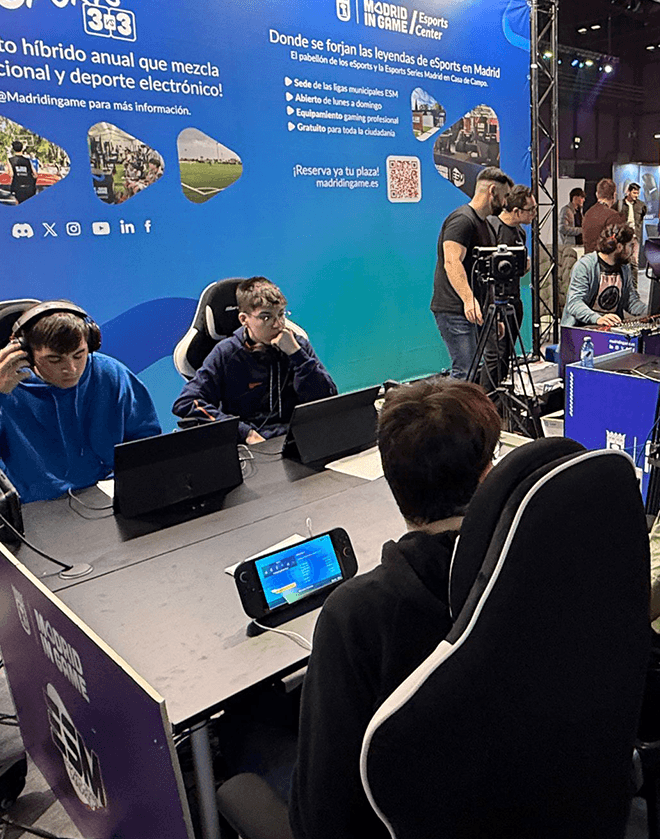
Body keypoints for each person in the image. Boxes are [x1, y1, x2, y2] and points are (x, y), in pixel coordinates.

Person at [289, 378, 501, 839]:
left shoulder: (355, 615)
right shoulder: (531, 563)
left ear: (391, 480)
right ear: (489, 475)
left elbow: (321, 817)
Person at [0, 301, 161, 502]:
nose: (71, 369)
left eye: (79, 355)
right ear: (25, 354)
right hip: (33, 507)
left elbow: (146, 441)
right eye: (54, 359)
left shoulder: (111, 374)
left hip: (106, 496)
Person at [172, 277, 337, 443]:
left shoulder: (296, 345)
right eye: (266, 317)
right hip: (251, 445)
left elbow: (327, 399)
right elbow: (187, 402)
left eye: (281, 314)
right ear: (244, 319)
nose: (278, 324)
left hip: (299, 439)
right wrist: (245, 433)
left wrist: (297, 355)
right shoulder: (226, 353)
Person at [430, 166, 513, 380]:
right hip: (455, 310)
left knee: (472, 370)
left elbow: (486, 276)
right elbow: (452, 261)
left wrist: (493, 316)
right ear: (492, 191)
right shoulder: (462, 220)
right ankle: (443, 405)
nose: (506, 203)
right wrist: (468, 299)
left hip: (474, 311)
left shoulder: (486, 226)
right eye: (504, 196)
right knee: (464, 371)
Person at [483, 184, 536, 391]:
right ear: (516, 211)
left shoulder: (520, 232)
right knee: (495, 356)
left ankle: (500, 399)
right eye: (530, 210)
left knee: (506, 356)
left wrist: (523, 266)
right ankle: (487, 399)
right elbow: (488, 272)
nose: (534, 214)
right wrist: (495, 314)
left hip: (513, 300)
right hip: (494, 303)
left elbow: (517, 269)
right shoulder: (492, 228)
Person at [561, 222, 647, 327]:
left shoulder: (624, 267)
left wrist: (650, 310)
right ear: (619, 247)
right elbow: (574, 303)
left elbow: (630, 301)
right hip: (583, 328)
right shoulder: (585, 266)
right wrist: (597, 318)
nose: (633, 251)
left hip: (610, 328)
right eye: (630, 245)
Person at [616, 182, 647, 289]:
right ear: (628, 192)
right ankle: (622, 286)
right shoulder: (620, 204)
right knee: (622, 261)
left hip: (635, 237)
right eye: (634, 193)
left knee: (634, 262)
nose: (636, 195)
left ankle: (634, 288)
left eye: (637, 193)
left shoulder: (641, 205)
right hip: (623, 238)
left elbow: (642, 217)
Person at [582, 178, 622, 254]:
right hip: (604, 259)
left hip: (588, 259)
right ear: (614, 195)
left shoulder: (588, 213)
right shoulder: (613, 216)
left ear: (597, 194)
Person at [7, 140, 37, 204]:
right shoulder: (28, 160)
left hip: (18, 185)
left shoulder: (10, 160)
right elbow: (35, 174)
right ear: (22, 148)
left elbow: (11, 174)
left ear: (13, 149)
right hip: (29, 185)